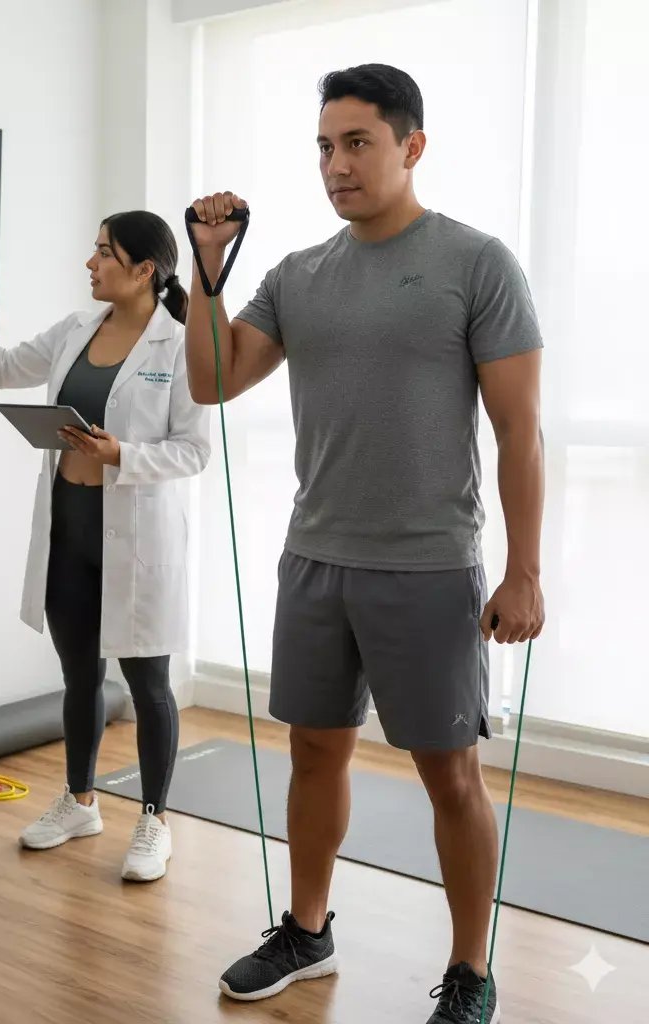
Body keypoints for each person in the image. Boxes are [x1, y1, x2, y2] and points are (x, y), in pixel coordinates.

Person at [185, 65, 544, 1022]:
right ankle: (308, 931)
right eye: (323, 147)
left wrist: (524, 570)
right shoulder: (298, 274)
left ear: (410, 146)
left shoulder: (477, 262)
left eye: (356, 143)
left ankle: (471, 971)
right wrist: (207, 270)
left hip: (430, 566)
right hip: (316, 558)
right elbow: (213, 382)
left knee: (450, 774)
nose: (335, 165)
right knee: (313, 753)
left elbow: (520, 430)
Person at [0, 211, 210, 883]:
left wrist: (119, 452)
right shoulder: (76, 331)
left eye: (104, 253)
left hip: (136, 543)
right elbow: (8, 367)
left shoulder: (181, 348)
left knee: (149, 685)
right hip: (71, 534)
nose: (90, 263)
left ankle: (155, 819)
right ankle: (80, 801)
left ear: (144, 271)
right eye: (94, 250)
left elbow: (194, 450)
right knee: (78, 678)